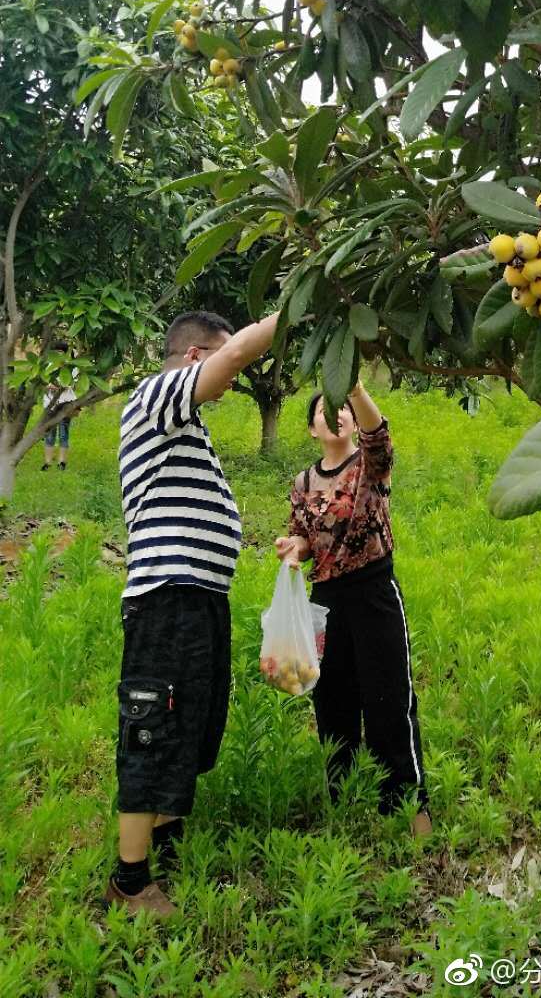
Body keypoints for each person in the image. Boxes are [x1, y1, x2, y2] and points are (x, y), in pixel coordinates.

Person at [105, 307, 281, 917]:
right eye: (219, 363)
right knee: (152, 726)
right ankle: (130, 881)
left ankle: (169, 852)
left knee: (191, 726)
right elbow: (233, 358)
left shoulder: (185, 427)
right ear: (192, 358)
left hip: (197, 599)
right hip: (168, 598)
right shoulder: (155, 398)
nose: (231, 384)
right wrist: (302, 308)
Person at [274, 379, 432, 838]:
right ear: (311, 429)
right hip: (327, 601)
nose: (337, 412)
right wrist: (293, 548)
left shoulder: (370, 466)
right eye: (327, 408)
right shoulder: (302, 483)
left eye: (344, 406)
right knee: (333, 705)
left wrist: (355, 387)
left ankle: (409, 811)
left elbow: (378, 434)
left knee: (389, 702)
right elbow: (303, 535)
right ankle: (345, 807)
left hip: (374, 594)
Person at [41, 380, 76, 470]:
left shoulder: (72, 368)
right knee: (49, 436)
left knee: (63, 435)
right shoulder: (48, 367)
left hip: (65, 405)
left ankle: (62, 462)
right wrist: (48, 386)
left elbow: (72, 384)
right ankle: (47, 463)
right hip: (50, 406)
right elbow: (42, 383)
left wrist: (60, 387)